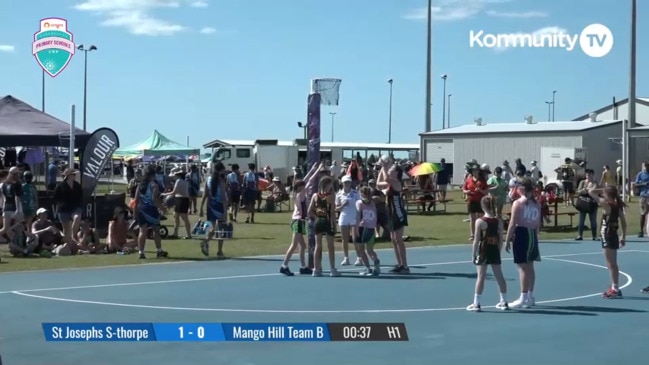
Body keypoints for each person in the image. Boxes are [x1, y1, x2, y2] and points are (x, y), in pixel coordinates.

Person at [504, 177, 542, 309]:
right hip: (532, 234)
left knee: (522, 267)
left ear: (522, 189)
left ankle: (523, 296)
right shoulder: (537, 204)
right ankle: (530, 296)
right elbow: (538, 224)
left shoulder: (518, 203)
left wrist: (507, 239)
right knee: (530, 267)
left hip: (521, 234)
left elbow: (513, 223)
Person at [466, 195, 509, 311]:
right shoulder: (498, 221)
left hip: (483, 250)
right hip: (494, 250)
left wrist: (473, 254)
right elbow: (501, 239)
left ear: (483, 206)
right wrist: (498, 251)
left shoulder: (480, 221)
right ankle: (504, 301)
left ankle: (477, 303)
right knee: (499, 276)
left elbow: (476, 240)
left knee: (481, 277)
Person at [587, 186, 626, 298]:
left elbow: (591, 192)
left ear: (608, 195)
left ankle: (616, 289)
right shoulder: (617, 207)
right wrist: (623, 236)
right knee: (611, 263)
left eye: (604, 193)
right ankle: (615, 287)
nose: (603, 195)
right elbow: (623, 223)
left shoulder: (606, 204)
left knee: (611, 264)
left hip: (608, 236)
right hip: (612, 235)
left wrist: (602, 189)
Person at [377, 156, 410, 274]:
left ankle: (405, 266)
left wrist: (385, 166)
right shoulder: (390, 184)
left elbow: (386, 178)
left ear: (396, 173)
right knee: (393, 239)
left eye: (392, 169)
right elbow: (378, 183)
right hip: (391, 212)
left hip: (398, 213)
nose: (389, 170)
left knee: (398, 239)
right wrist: (382, 167)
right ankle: (400, 264)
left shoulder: (396, 183)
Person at [133, 165, 168, 259]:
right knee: (156, 230)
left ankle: (141, 252)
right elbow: (154, 199)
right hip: (151, 210)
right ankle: (159, 250)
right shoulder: (154, 185)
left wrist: (134, 213)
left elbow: (136, 201)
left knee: (142, 231)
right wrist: (162, 208)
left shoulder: (139, 186)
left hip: (141, 209)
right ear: (152, 175)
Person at [279, 180, 312, 276]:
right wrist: (317, 170)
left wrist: (313, 169)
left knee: (303, 246)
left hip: (300, 221)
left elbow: (306, 180)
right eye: (303, 186)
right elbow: (310, 182)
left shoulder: (299, 194)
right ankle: (284, 266)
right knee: (294, 245)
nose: (305, 186)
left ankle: (303, 267)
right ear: (299, 188)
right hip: (297, 221)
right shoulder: (300, 194)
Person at [308, 175, 339, 277]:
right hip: (328, 221)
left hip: (318, 221)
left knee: (318, 246)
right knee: (330, 246)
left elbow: (309, 211)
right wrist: (334, 225)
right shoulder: (331, 196)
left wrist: (317, 216)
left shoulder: (315, 196)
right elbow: (332, 211)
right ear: (327, 185)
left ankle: (316, 269)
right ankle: (332, 269)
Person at [199, 162, 229, 259]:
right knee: (221, 230)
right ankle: (219, 251)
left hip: (210, 207)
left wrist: (201, 208)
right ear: (221, 170)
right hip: (219, 207)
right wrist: (225, 212)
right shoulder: (221, 181)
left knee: (211, 228)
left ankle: (206, 241)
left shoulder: (208, 179)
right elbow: (224, 198)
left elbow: (205, 194)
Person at [355, 186, 381, 276]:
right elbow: (379, 198)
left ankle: (368, 268)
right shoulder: (373, 202)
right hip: (371, 228)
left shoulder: (359, 203)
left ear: (361, 193)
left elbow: (358, 215)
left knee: (361, 250)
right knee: (370, 250)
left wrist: (355, 228)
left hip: (362, 227)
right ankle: (375, 260)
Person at [53, 168, 83, 245]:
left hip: (75, 207)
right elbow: (55, 197)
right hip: (63, 209)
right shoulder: (60, 186)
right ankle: (68, 246)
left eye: (75, 174)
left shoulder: (77, 185)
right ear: (68, 176)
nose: (74, 176)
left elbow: (80, 196)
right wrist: (60, 203)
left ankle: (74, 235)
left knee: (77, 217)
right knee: (66, 231)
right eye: (73, 174)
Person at [336, 175, 361, 266]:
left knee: (355, 239)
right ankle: (346, 258)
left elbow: (360, 205)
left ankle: (359, 258)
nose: (347, 184)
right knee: (344, 239)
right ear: (342, 183)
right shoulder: (339, 194)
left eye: (348, 182)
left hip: (354, 218)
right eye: (345, 182)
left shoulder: (355, 193)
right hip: (344, 218)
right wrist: (342, 205)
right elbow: (336, 208)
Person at [164, 171, 192, 239]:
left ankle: (188, 235)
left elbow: (174, 192)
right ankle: (175, 233)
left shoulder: (178, 181)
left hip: (181, 199)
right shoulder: (184, 181)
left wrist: (165, 194)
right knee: (176, 216)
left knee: (184, 217)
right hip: (181, 199)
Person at [463, 163, 487, 241]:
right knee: (472, 218)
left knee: (480, 218)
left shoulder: (482, 180)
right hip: (471, 200)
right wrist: (467, 191)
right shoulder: (468, 180)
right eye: (473, 170)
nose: (475, 172)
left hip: (480, 201)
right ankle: (472, 234)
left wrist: (480, 190)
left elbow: (486, 192)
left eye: (476, 170)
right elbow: (464, 189)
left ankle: (479, 233)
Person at [575, 169, 599, 240]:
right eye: (586, 174)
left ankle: (594, 236)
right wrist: (584, 190)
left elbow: (594, 190)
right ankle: (580, 235)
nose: (587, 175)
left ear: (592, 174)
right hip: (583, 203)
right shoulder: (582, 182)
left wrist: (586, 190)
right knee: (581, 221)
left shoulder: (595, 182)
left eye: (589, 174)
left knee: (593, 221)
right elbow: (578, 191)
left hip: (592, 204)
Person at [0, 166, 23, 240]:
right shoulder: (17, 183)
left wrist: (2, 207)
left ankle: (15, 241)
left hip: (6, 207)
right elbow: (17, 197)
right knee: (18, 226)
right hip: (15, 207)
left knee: (5, 228)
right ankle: (17, 242)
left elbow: (2, 197)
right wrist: (17, 209)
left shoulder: (3, 184)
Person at [633, 162, 649, 238]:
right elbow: (635, 184)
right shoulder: (640, 174)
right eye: (647, 166)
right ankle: (641, 230)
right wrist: (644, 184)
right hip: (644, 196)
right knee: (643, 213)